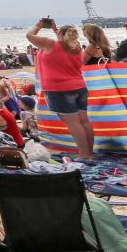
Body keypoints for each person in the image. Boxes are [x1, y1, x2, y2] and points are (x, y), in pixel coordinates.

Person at [27, 18, 93, 159]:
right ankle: (89, 154)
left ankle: (84, 155)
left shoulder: (50, 44)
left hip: (59, 89)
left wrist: (38, 25)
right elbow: (65, 38)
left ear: (61, 34)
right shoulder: (76, 48)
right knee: (84, 122)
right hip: (80, 87)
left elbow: (29, 35)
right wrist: (55, 29)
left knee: (74, 124)